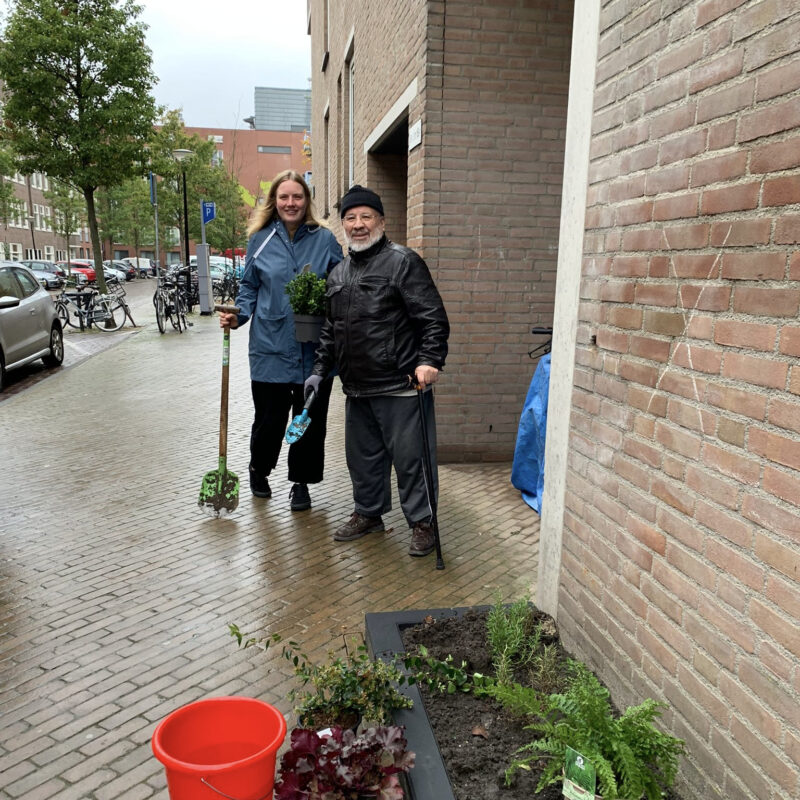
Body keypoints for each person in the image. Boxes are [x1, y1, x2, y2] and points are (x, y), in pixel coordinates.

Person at [304, 185, 449, 556]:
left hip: (401, 385)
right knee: (363, 459)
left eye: (366, 216)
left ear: (381, 221)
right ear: (343, 225)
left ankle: (423, 523)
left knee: (413, 461)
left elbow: (432, 317)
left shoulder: (403, 262)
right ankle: (369, 514)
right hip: (357, 388)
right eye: (350, 218)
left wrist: (430, 360)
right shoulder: (338, 274)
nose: (358, 224)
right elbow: (330, 330)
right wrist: (320, 369)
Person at [219, 170, 343, 510]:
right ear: (274, 201)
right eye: (284, 197)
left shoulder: (324, 239)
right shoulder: (260, 239)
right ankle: (259, 468)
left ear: (307, 201)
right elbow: (249, 287)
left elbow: (341, 285)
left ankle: (301, 483)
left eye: (297, 196)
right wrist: (238, 316)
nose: (291, 203)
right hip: (270, 347)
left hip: (314, 350)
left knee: (307, 422)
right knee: (269, 422)